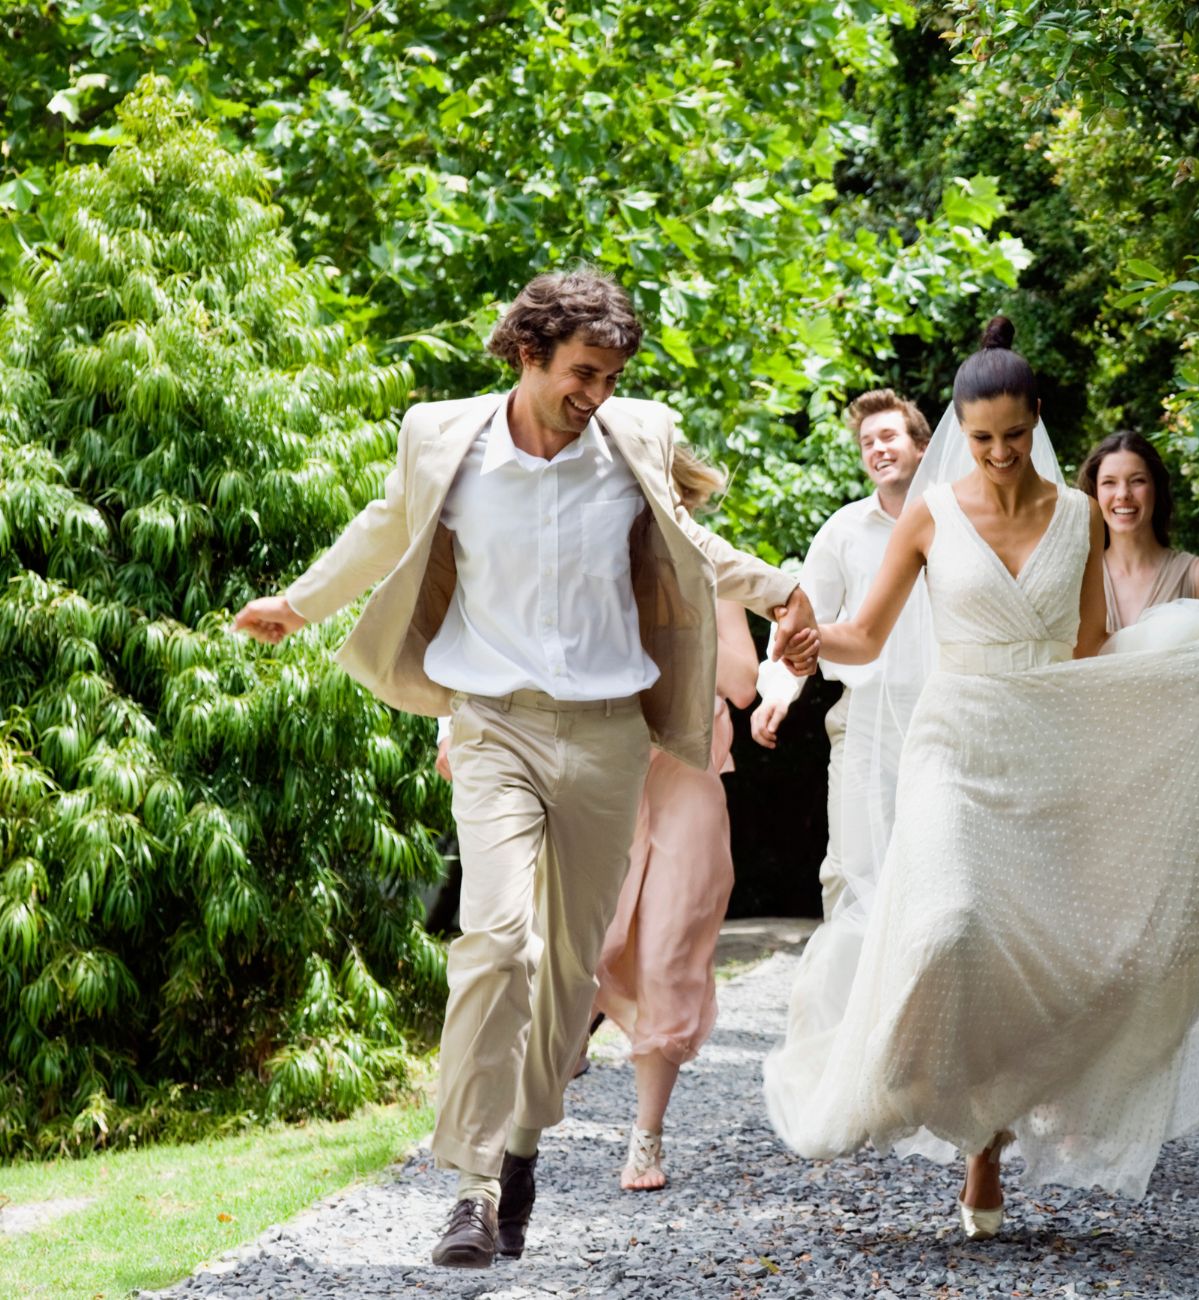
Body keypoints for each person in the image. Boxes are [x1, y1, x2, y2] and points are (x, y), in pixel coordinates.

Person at [232, 269, 818, 1270]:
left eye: (611, 374)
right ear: (527, 352)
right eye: (582, 373)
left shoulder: (631, 436)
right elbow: (385, 527)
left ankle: (520, 1149)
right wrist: (300, 603)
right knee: (494, 939)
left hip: (605, 735)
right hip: (493, 721)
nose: (596, 392)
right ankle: (466, 1185)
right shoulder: (442, 438)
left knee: (565, 969)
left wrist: (781, 589)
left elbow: (691, 539)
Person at [762, 317, 1199, 1240]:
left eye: (1015, 435)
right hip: (956, 740)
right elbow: (867, 635)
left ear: (1038, 420)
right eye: (981, 440)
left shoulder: (1078, 514)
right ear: (959, 435)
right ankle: (899, 1078)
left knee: (1031, 949)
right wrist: (813, 647)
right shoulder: (932, 514)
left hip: (1045, 740)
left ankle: (984, 1153)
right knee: (954, 923)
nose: (1001, 453)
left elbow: (1093, 646)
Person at [590, 446, 758, 1192]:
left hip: (688, 780)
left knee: (668, 956)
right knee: (580, 945)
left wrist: (690, 598)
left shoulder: (712, 567)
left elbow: (744, 685)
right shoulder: (585, 560)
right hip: (606, 779)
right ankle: (545, 1074)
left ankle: (646, 1139)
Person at [750, 389, 932, 917]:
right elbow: (804, 615)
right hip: (867, 723)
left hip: (946, 717)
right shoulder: (843, 530)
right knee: (854, 866)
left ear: (921, 446)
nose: (877, 449)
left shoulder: (960, 522)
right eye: (866, 442)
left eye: (889, 437)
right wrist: (779, 692)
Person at [1076, 432, 1199, 630]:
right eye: (1109, 482)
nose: (1123, 494)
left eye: (1137, 480)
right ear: (1095, 493)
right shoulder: (1079, 580)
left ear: (1156, 488)